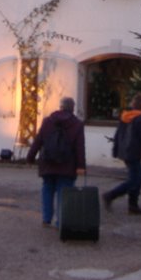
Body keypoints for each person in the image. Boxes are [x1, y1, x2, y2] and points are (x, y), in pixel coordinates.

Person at [26, 97, 86, 227]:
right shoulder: (77, 124)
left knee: (47, 189)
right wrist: (81, 166)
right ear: (72, 108)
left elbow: (38, 141)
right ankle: (60, 222)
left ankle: (46, 219)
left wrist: (30, 157)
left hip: (48, 163)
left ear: (60, 107)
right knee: (64, 192)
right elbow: (79, 147)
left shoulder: (48, 121)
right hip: (67, 165)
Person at [103, 92, 141, 215]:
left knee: (136, 178)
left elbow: (118, 134)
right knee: (135, 180)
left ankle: (132, 205)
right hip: (133, 152)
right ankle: (111, 195)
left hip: (125, 151)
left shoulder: (125, 117)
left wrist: (115, 149)